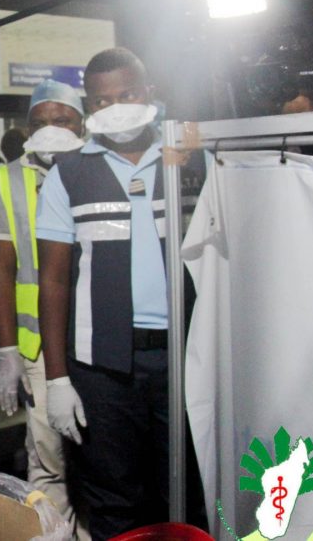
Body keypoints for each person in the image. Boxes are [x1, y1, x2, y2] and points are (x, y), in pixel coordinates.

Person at [36, 48, 204, 540]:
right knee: (114, 498)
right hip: (103, 367)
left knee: (188, 490)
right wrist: (57, 379)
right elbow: (54, 278)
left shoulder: (191, 157)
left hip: (187, 355)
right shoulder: (69, 172)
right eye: (103, 99)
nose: (117, 106)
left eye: (127, 94)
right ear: (89, 105)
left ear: (149, 92)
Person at [0, 79, 86, 539]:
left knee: (99, 456)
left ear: (81, 123)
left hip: (95, 338)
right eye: (40, 122)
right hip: (40, 348)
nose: (51, 130)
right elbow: (2, 269)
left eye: (62, 120)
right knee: (48, 457)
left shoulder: (100, 169)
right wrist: (8, 352)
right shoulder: (8, 178)